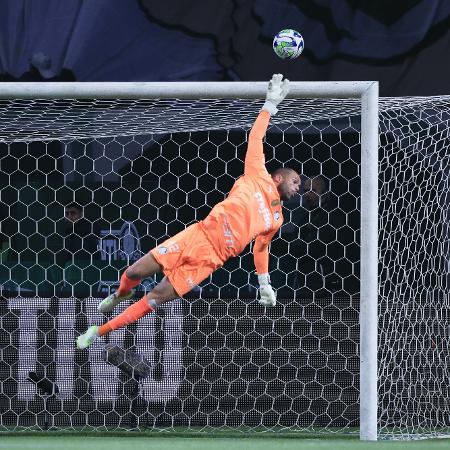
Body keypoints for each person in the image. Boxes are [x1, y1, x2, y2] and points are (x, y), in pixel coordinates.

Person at [76, 73, 301, 349]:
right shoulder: (258, 174)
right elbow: (256, 136)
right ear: (279, 177)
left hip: (211, 258)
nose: (298, 187)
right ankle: (122, 293)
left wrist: (263, 282)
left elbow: (261, 249)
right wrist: (270, 105)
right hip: (197, 235)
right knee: (134, 272)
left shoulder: (278, 218)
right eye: (295, 180)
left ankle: (97, 331)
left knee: (156, 297)